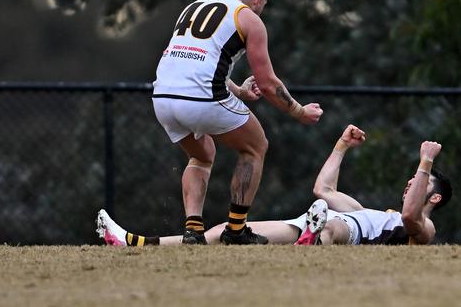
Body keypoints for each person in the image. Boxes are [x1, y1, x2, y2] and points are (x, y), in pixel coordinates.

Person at [151, 0, 323, 245]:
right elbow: (268, 84)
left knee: (202, 155)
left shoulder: (195, 7)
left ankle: (193, 231)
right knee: (255, 146)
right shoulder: (249, 18)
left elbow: (192, 62)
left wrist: (239, 90)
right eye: (263, 7)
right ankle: (236, 229)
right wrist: (300, 112)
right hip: (200, 99)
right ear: (258, 0)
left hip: (162, 98)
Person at [97, 125, 452, 246]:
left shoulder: (423, 228)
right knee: (228, 231)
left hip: (338, 230)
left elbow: (410, 216)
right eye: (411, 180)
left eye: (419, 184)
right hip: (314, 220)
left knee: (330, 224)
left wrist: (426, 161)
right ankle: (133, 241)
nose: (411, 184)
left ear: (433, 195)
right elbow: (323, 190)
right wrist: (341, 146)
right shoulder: (370, 212)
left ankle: (312, 240)